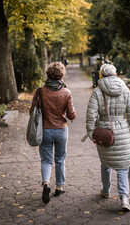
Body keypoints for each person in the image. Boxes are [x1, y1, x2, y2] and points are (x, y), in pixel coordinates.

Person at [84, 64, 130, 211]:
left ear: (102, 76)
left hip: (104, 133)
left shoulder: (98, 91)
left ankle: (105, 190)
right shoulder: (125, 90)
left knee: (105, 163)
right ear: (116, 74)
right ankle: (124, 198)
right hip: (122, 132)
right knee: (123, 167)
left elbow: (91, 115)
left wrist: (91, 133)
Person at [30, 62, 76, 204]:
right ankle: (59, 187)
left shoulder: (40, 91)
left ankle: (45, 183)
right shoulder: (66, 92)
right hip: (61, 129)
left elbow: (32, 111)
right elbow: (72, 115)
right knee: (60, 159)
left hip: (45, 130)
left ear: (48, 74)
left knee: (46, 160)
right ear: (61, 75)